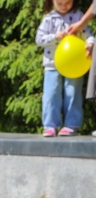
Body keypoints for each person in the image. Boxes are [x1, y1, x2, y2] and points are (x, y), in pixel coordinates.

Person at [36, 0, 93, 135]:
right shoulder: (49, 18)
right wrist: (55, 36)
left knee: (73, 93)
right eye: (59, 3)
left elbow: (88, 35)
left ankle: (71, 124)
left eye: (67, 3)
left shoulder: (79, 16)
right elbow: (39, 39)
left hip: (75, 64)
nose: (64, 6)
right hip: (52, 64)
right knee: (51, 94)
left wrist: (90, 44)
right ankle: (50, 125)